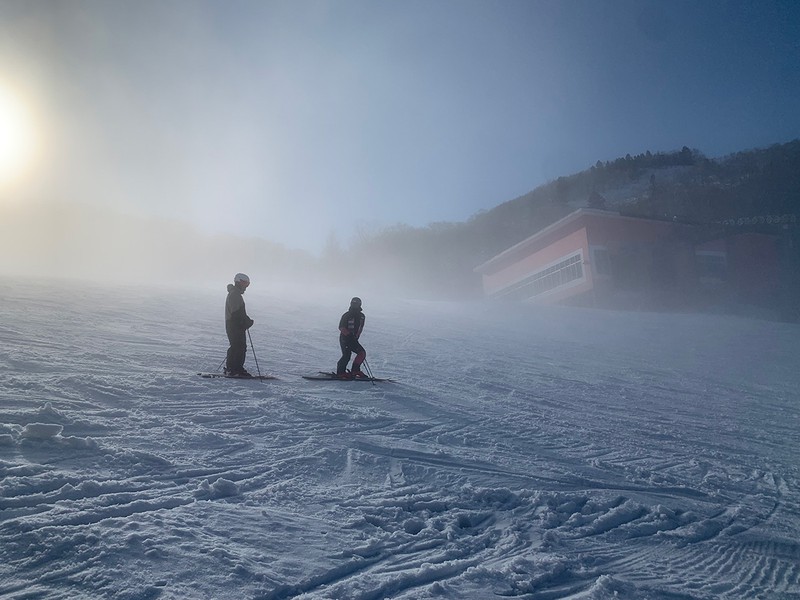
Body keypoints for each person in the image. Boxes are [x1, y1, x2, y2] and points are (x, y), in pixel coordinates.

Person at [224, 273, 254, 377]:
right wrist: (244, 322)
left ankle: (232, 368)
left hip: (234, 324)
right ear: (238, 282)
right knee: (239, 347)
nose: (245, 287)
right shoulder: (235, 295)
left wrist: (246, 320)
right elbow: (236, 313)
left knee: (237, 346)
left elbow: (239, 312)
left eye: (247, 284)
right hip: (234, 325)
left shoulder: (235, 293)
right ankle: (235, 369)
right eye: (244, 283)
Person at [336, 296, 367, 379]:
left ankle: (355, 370)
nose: (354, 305)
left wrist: (356, 337)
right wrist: (349, 335)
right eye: (353, 304)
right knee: (346, 355)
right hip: (345, 339)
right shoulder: (346, 315)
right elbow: (341, 327)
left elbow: (360, 328)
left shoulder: (362, 316)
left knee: (362, 353)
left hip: (353, 339)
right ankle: (341, 372)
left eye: (356, 304)